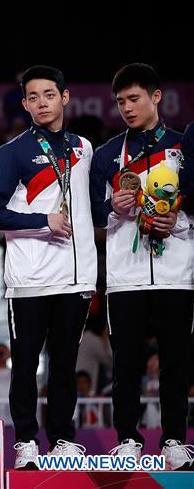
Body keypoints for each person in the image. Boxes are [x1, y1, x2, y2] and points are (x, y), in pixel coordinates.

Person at [0, 65, 95, 468]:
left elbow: (89, 208)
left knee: (65, 363)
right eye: (33, 97)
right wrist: (43, 222)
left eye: (49, 94)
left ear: (65, 97)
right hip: (30, 278)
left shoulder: (84, 148)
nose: (42, 103)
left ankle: (63, 439)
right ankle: (26, 441)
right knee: (25, 364)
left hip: (76, 277)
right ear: (25, 104)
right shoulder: (12, 153)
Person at [89, 63, 194, 470]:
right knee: (126, 363)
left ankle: (173, 442)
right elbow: (92, 212)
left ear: (156, 96)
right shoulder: (107, 154)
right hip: (126, 275)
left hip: (176, 272)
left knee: (175, 362)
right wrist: (111, 207)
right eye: (120, 102)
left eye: (134, 99)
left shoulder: (184, 146)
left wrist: (178, 218)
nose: (127, 108)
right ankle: (128, 441)